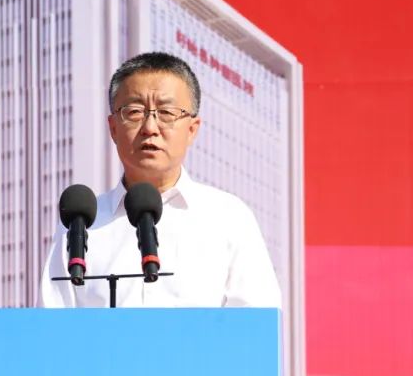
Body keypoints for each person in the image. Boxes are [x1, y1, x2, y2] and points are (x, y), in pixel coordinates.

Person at [39, 51, 281, 309]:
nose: (150, 128)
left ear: (192, 129)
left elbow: (256, 323)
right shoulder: (82, 222)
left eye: (166, 112)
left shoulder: (228, 217)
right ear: (113, 128)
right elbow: (51, 321)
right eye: (134, 112)